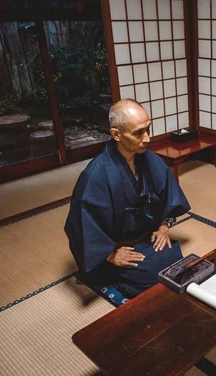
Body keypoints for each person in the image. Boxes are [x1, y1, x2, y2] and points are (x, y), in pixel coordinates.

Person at [64, 99, 191, 299]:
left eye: (148, 129)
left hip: (147, 236)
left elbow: (168, 195)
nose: (147, 138)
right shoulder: (96, 175)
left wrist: (164, 226)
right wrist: (110, 255)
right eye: (138, 133)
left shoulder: (150, 160)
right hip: (115, 247)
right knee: (153, 276)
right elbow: (81, 226)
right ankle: (110, 274)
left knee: (174, 259)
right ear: (116, 134)